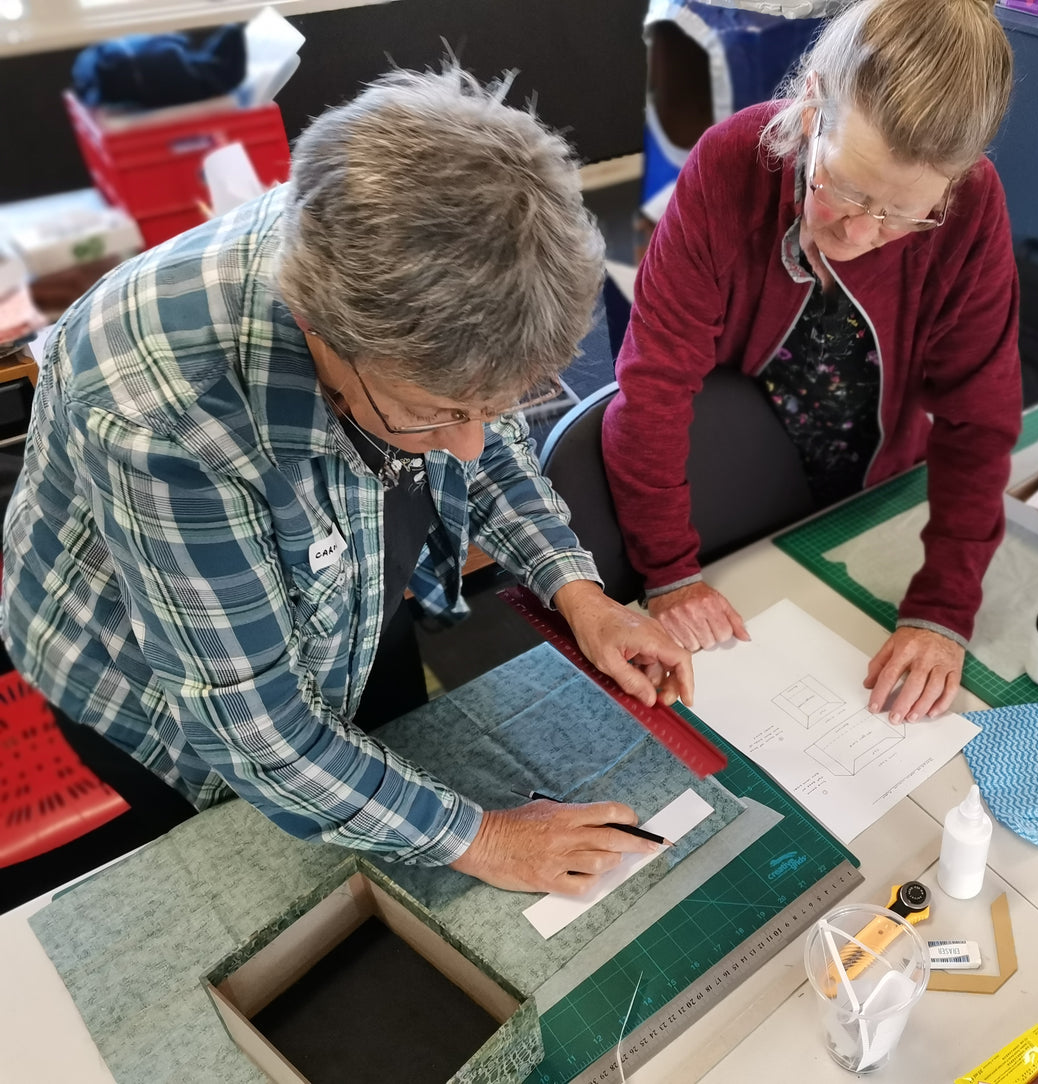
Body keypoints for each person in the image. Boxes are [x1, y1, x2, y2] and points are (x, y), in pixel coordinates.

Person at [0, 67, 693, 898]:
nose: (470, 445)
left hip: (347, 577)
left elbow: (480, 439)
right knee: (261, 885)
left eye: (495, 405)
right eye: (434, 412)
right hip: (148, 670)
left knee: (378, 752)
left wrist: (579, 593)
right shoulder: (160, 410)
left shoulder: (425, 294)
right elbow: (255, 730)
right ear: (319, 326)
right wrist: (482, 839)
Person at [602, 0, 1020, 724]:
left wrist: (942, 608)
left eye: (903, 214)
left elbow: (976, 420)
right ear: (809, 109)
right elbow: (653, 391)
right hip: (721, 510)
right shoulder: (730, 166)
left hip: (868, 497)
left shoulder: (970, 204)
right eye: (846, 189)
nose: (861, 232)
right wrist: (669, 569)